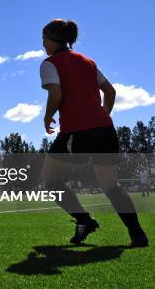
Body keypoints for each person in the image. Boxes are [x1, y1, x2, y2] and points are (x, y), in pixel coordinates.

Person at [39, 19, 147, 247]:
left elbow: (56, 95)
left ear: (51, 39)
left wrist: (47, 117)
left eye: (44, 39)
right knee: (111, 186)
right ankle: (137, 234)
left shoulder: (50, 63)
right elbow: (110, 91)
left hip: (76, 132)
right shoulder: (88, 62)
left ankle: (83, 220)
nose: (43, 44)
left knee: (49, 180)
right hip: (105, 130)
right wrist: (102, 117)